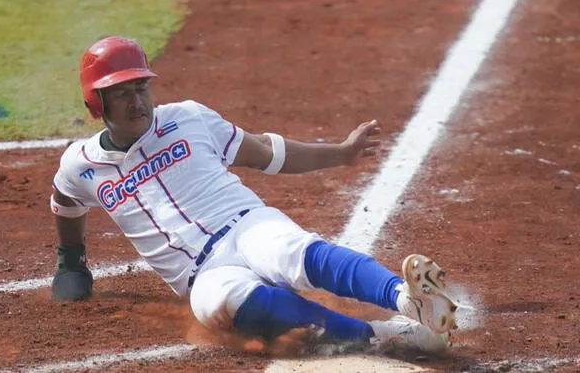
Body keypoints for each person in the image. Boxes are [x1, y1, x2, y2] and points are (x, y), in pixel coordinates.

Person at [50, 36, 458, 354]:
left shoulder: (187, 118)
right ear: (95, 102)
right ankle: (388, 336)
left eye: (142, 87)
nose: (138, 100)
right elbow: (66, 202)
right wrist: (71, 263)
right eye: (122, 92)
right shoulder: (81, 164)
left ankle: (406, 298)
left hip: (246, 225)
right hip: (202, 276)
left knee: (291, 251)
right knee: (218, 305)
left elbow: (265, 152)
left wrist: (340, 153)